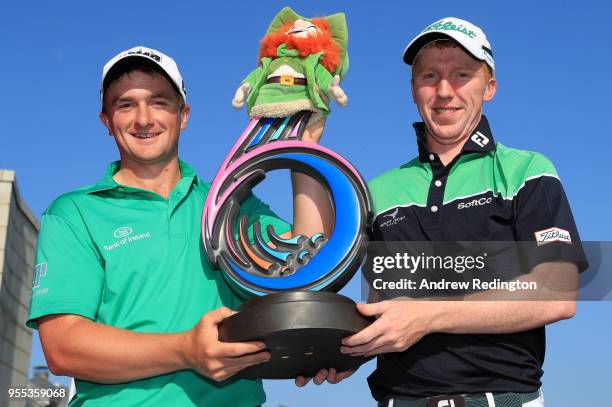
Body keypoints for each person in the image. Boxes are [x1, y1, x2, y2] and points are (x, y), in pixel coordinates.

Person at [27, 46, 333, 406]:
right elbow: (63, 348)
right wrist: (186, 350)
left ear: (183, 115)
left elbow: (309, 261)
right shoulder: (75, 212)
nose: (143, 119)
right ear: (106, 121)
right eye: (125, 105)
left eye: (159, 102)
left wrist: (304, 148)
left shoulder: (229, 202)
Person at [338, 17, 588, 407]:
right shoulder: (376, 192)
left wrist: (428, 316)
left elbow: (558, 294)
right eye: (430, 76)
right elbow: (382, 306)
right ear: (413, 89)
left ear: (489, 87)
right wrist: (347, 349)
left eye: (461, 74)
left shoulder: (527, 170)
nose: (443, 91)